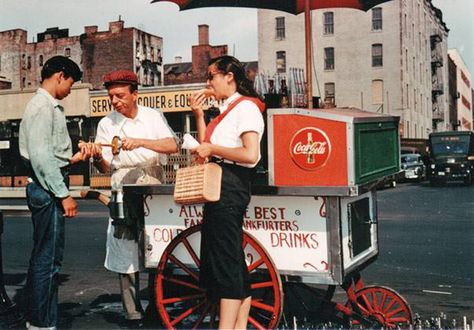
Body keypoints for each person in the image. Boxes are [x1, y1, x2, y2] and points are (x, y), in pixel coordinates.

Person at [90, 70, 178, 327]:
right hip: (122, 185)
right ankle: (132, 312)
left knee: (155, 246)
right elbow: (106, 167)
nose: (115, 101)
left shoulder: (152, 117)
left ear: (135, 94)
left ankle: (157, 305)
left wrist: (140, 142)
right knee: (125, 248)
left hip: (150, 182)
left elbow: (172, 145)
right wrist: (96, 156)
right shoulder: (106, 123)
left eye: (120, 95)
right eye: (111, 97)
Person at [189, 55, 265, 329]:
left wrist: (214, 150)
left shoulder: (246, 109)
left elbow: (251, 154)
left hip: (230, 186)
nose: (208, 82)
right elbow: (205, 149)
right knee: (231, 262)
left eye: (211, 76)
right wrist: (198, 116)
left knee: (225, 265)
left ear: (229, 77)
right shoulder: (226, 111)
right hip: (220, 185)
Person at [19, 55, 92, 329]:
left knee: (46, 259)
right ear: (60, 75)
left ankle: (41, 321)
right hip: (47, 189)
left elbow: (48, 154)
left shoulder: (47, 107)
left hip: (47, 185)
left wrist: (72, 159)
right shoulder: (42, 107)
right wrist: (64, 194)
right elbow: (41, 158)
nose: (70, 90)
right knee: (47, 261)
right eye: (70, 83)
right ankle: (41, 323)